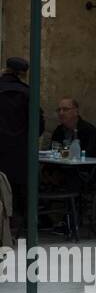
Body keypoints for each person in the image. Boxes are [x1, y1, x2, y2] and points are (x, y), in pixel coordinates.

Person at [0, 56, 42, 212]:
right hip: (19, 155)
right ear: (23, 74)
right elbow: (38, 125)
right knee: (20, 196)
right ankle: (17, 230)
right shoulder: (28, 93)